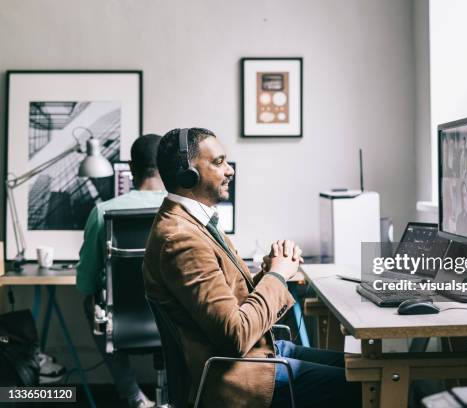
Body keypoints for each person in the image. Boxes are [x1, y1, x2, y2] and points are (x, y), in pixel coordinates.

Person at [143, 127, 361, 408]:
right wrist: (277, 275)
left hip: (255, 356)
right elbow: (235, 336)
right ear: (188, 173)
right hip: (239, 376)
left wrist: (268, 272)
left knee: (367, 366)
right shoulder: (181, 239)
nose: (230, 170)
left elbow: (229, 307)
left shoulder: (193, 222)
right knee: (368, 382)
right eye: (219, 162)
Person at [76, 134, 166, 408]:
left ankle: (133, 396)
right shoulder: (186, 210)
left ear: (130, 167)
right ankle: (179, 391)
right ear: (164, 165)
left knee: (89, 304)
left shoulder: (103, 211)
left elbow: (86, 281)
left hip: (123, 324)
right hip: (174, 322)